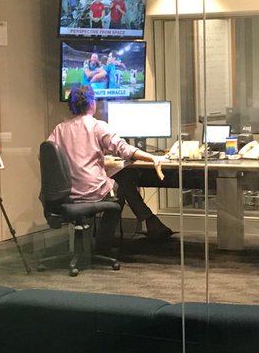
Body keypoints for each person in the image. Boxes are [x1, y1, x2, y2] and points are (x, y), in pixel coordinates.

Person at [47, 84, 175, 251]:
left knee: (121, 180)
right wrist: (152, 157)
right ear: (92, 103)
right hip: (92, 191)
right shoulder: (97, 126)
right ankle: (104, 245)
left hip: (67, 193)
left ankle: (149, 223)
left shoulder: (59, 129)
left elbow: (47, 156)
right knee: (121, 186)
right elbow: (124, 149)